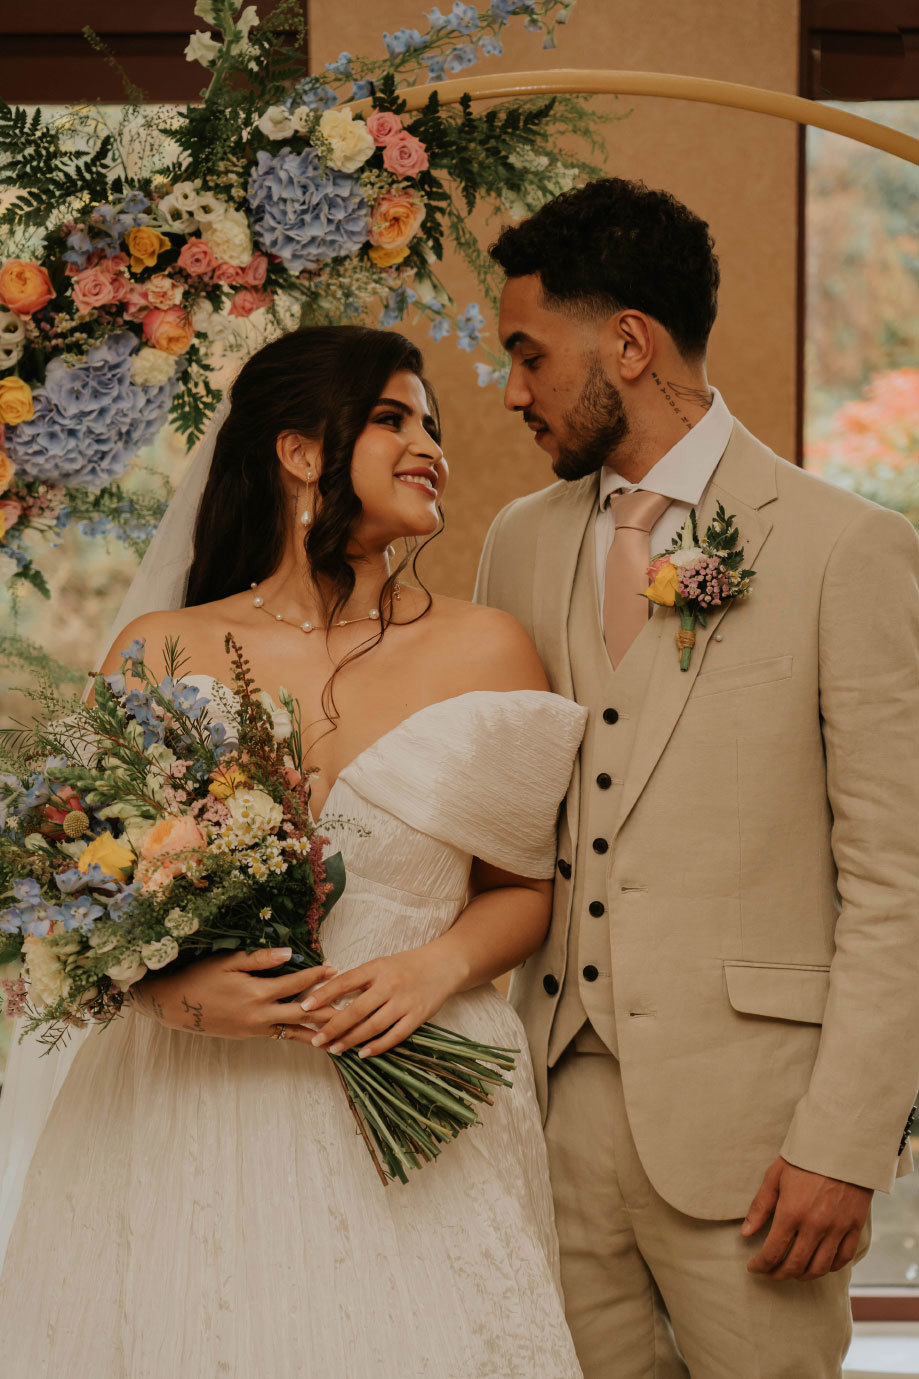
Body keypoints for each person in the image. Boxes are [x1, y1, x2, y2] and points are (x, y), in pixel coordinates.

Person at [0, 325, 587, 1378]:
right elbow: (86, 906)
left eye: (435, 426)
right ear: (299, 450)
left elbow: (522, 890)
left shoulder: (487, 645)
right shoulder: (158, 650)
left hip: (418, 1099)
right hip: (185, 1108)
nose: (433, 446)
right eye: (394, 417)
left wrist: (432, 966)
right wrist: (176, 996)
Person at [473, 177, 919, 1378]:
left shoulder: (845, 548)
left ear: (629, 342)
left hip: (759, 1142)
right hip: (555, 1112)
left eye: (528, 353)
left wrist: (845, 1140)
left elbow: (899, 879)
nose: (511, 389)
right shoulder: (516, 542)